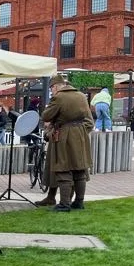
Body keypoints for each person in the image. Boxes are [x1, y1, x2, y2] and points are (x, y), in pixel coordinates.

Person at [41, 74, 94, 211]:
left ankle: (64, 204)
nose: (51, 90)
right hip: (80, 135)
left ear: (57, 86)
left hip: (64, 135)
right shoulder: (81, 96)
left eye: (52, 87)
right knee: (79, 171)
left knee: (63, 169)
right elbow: (89, 121)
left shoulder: (59, 97)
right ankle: (79, 202)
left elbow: (46, 116)